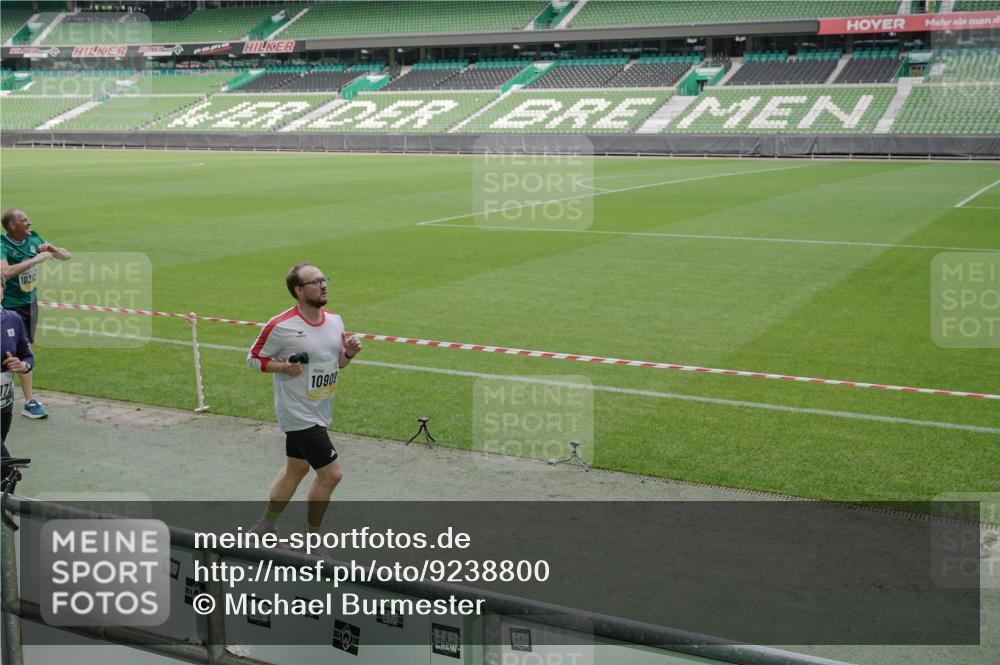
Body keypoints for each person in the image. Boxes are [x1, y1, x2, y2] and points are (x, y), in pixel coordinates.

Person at [246, 263, 362, 541]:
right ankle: (311, 541)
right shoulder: (281, 325)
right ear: (299, 291)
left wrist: (348, 354)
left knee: (296, 469)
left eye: (324, 279)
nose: (323, 285)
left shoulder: (335, 321)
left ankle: (265, 527)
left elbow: (337, 364)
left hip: (321, 409)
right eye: (315, 282)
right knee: (332, 474)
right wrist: (283, 368)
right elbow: (253, 359)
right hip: (297, 413)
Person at [1, 209, 71, 419]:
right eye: (24, 221)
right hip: (9, 306)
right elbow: (4, 273)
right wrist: (35, 261)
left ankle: (24, 399)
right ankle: (28, 401)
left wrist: (52, 249)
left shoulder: (33, 238)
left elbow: (66, 256)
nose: (29, 223)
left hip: (29, 303)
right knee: (17, 351)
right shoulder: (2, 245)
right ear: (13, 226)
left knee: (24, 350)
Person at [1, 274, 35, 458]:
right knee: (7, 467)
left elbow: (28, 358)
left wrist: (21, 365)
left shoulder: (13, 319)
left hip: (4, 405)